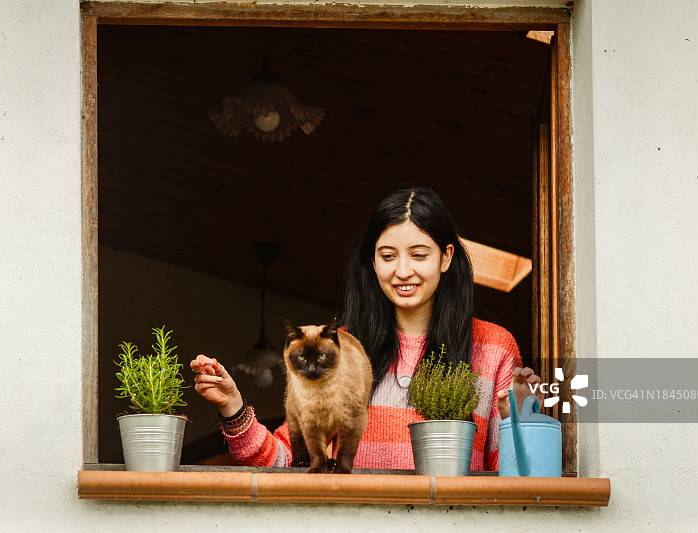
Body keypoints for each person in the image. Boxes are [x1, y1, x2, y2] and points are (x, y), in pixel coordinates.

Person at [191, 186, 543, 471]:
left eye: (419, 255)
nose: (402, 271)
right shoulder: (341, 349)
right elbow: (286, 460)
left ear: (446, 257)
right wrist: (233, 407)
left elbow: (519, 477)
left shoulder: (494, 347)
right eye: (388, 256)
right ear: (372, 261)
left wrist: (524, 420)